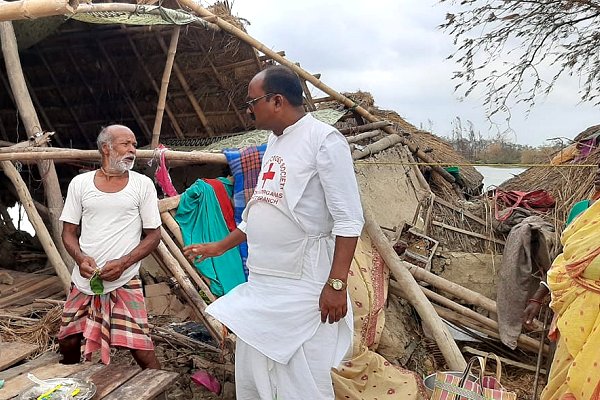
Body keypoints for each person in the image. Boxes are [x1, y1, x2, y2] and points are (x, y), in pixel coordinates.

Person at [183, 65, 364, 399]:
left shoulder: (324, 141)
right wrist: (220, 247)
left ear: (277, 101)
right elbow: (263, 210)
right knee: (260, 371)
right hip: (265, 284)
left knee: (304, 375)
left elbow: (349, 220)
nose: (248, 109)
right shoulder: (274, 142)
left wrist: (336, 284)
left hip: (306, 287)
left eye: (253, 102)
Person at [57, 124, 162, 369]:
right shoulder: (80, 184)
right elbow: (68, 233)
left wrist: (124, 263)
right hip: (85, 279)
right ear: (106, 148)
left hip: (124, 278)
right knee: (69, 342)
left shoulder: (142, 184)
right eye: (126, 144)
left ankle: (160, 391)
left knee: (141, 349)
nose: (133, 150)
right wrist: (80, 259)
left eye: (134, 145)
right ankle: (72, 384)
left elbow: (153, 235)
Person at [536, 164, 600, 399]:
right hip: (571, 307)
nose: (599, 172)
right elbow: (563, 258)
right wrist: (539, 295)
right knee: (560, 377)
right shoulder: (581, 211)